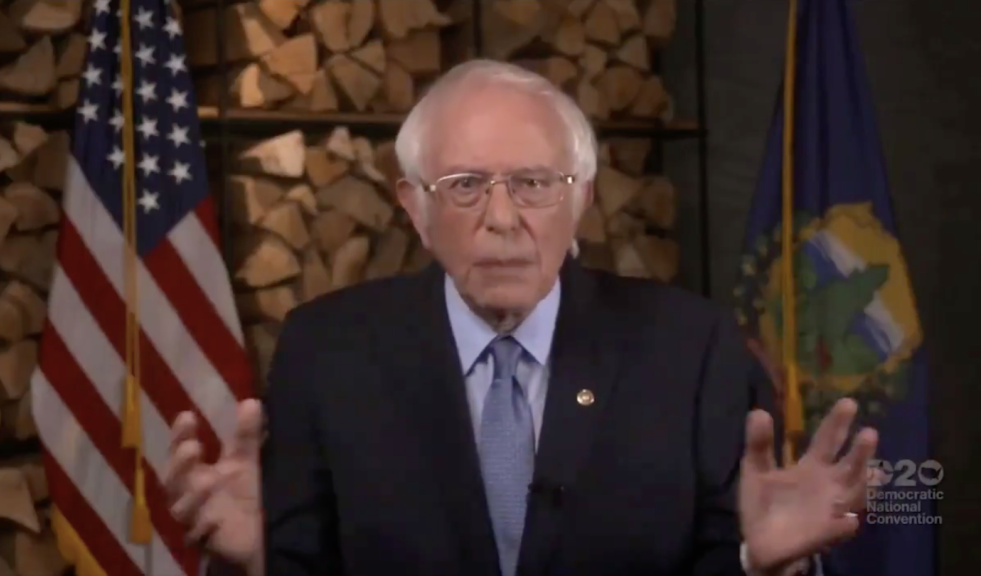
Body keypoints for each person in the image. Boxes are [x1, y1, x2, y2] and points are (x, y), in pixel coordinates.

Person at [164, 59, 877, 576]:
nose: (502, 219)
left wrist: (764, 564)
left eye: (535, 184)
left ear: (582, 200)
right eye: (465, 186)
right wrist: (258, 561)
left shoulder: (689, 349)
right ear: (414, 208)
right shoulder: (327, 353)